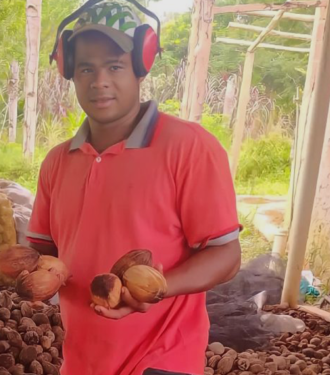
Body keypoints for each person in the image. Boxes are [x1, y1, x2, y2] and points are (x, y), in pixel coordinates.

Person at [26, 1, 242, 374]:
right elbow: (44, 251)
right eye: (85, 69)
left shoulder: (188, 147)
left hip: (162, 359)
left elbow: (226, 256)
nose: (99, 82)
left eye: (114, 66)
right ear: (70, 74)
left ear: (140, 69)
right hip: (81, 360)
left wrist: (155, 289)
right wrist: (28, 273)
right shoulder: (58, 162)